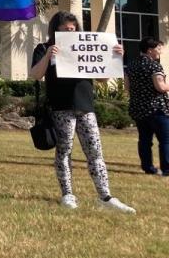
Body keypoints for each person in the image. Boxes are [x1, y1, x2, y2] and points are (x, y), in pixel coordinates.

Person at [30, 11, 135, 213]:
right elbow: (35, 74)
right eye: (66, 29)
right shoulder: (44, 48)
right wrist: (48, 55)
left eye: (73, 28)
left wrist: (114, 58)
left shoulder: (84, 45)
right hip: (61, 107)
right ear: (56, 29)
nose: (71, 31)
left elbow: (103, 79)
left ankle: (105, 196)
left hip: (86, 107)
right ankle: (67, 194)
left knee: (95, 151)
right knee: (64, 151)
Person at [125, 36, 169, 176]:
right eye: (158, 48)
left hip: (138, 109)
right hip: (156, 108)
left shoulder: (131, 65)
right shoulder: (154, 65)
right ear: (150, 50)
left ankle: (148, 167)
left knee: (144, 140)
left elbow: (127, 87)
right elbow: (160, 87)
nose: (159, 51)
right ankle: (167, 169)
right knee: (165, 140)